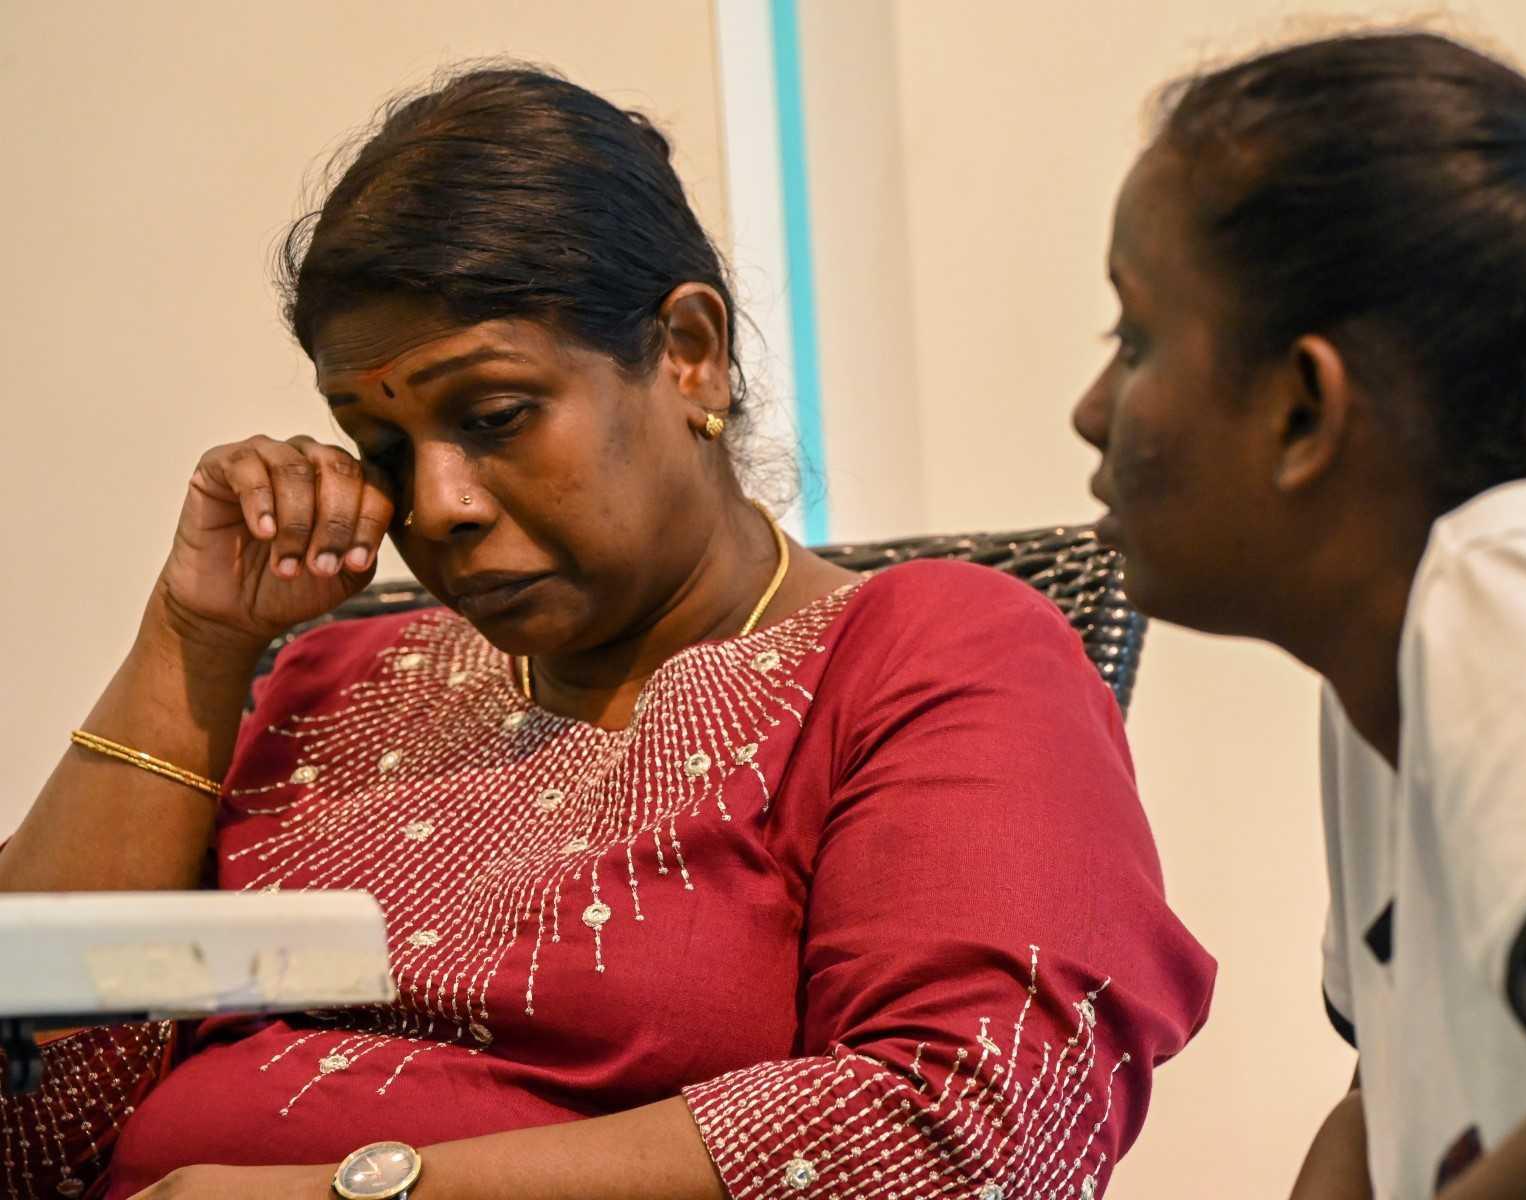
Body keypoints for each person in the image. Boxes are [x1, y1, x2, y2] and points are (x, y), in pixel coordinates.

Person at [0, 66, 1215, 1199]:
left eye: (494, 414)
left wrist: (355, 1192)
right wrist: (192, 642)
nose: (437, 505)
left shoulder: (925, 654)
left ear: (690, 355)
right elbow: (28, 1127)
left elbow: (974, 1127)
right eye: (381, 449)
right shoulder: (332, 681)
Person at [1073, 29, 1526, 1200]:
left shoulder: (1514, 573)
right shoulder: (1383, 675)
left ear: (1304, 409)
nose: (1091, 410)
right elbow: (1385, 1111)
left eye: (1137, 336)